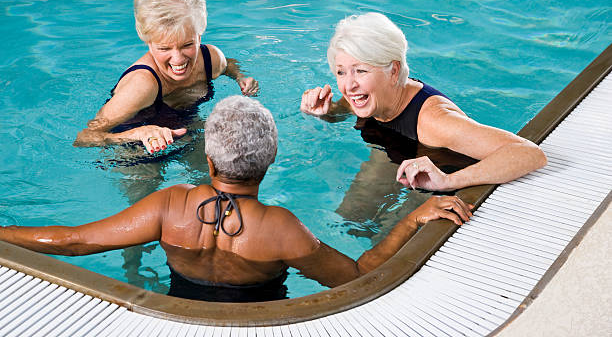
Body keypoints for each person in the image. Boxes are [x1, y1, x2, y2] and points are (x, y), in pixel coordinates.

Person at [0, 96, 473, 303]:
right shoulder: (280, 228)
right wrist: (413, 219)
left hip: (181, 315)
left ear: (208, 159)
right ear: (268, 163)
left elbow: (69, 241)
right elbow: (357, 278)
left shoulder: (170, 206)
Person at [300, 12, 547, 192]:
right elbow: (341, 110)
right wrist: (323, 112)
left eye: (361, 71)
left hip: (441, 177)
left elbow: (529, 153)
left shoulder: (435, 121)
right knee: (352, 220)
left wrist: (449, 181)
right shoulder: (364, 96)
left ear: (393, 71)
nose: (349, 85)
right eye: (341, 72)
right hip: (398, 157)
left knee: (389, 243)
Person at [74, 0, 259, 153]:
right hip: (138, 151)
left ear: (199, 37)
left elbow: (228, 65)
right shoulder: (141, 85)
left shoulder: (211, 59)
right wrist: (137, 134)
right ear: (148, 43)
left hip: (187, 131)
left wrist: (240, 77)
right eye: (164, 48)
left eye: (187, 45)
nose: (178, 59)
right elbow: (85, 138)